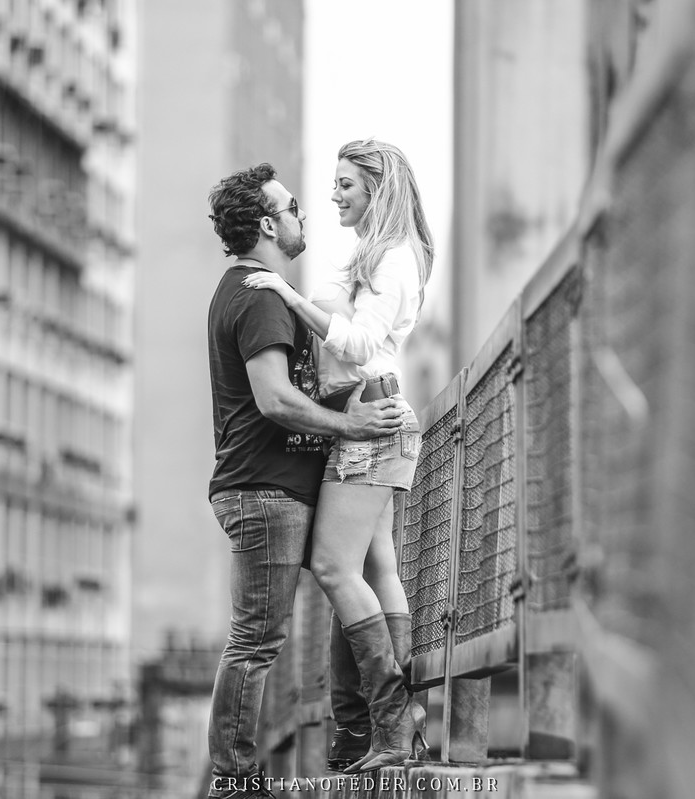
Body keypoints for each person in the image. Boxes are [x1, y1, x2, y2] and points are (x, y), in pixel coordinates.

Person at [204, 162, 405, 799]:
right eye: (291, 207)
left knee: (350, 576)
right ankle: (235, 780)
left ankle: (367, 733)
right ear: (268, 225)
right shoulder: (259, 297)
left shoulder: (255, 291)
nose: (303, 215)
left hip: (272, 486)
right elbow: (274, 399)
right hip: (263, 490)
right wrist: (354, 426)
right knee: (256, 639)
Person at [242, 139, 434, 773]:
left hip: (370, 420)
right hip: (370, 416)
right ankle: (372, 731)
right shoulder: (374, 254)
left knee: (331, 564)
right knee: (376, 566)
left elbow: (357, 342)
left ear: (377, 187)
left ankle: (391, 723)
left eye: (346, 184)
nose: (334, 196)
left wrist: (289, 296)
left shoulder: (394, 258)